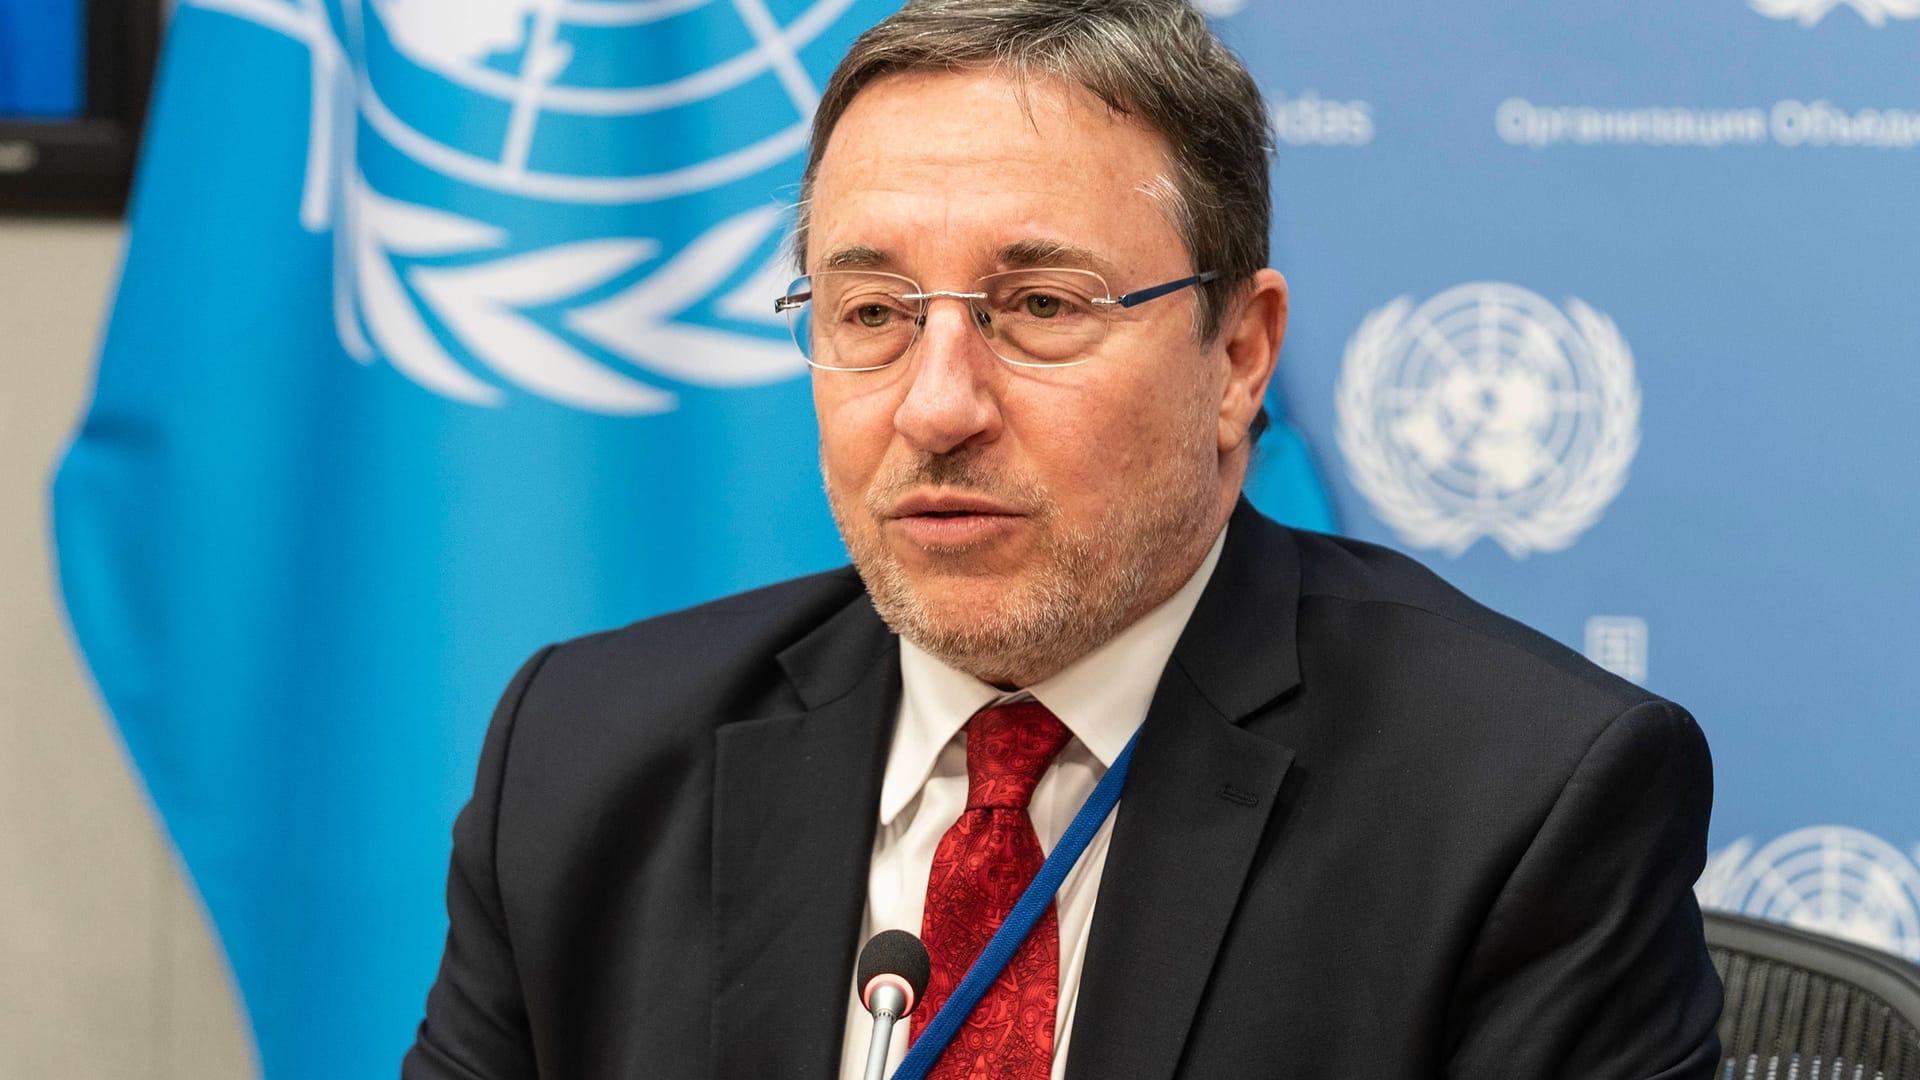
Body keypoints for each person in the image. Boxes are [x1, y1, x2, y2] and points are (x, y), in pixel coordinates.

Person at [403, 1, 1723, 1076]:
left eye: (1038, 305)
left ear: (1240, 357)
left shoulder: (1521, 798)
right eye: (871, 312)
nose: (935, 405)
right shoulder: (586, 755)